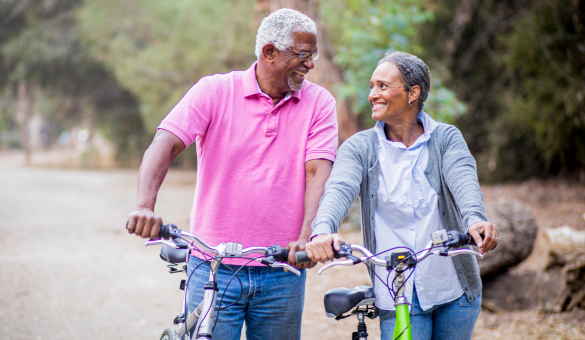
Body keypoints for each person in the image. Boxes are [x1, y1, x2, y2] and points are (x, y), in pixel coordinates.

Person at [126, 9, 338, 340]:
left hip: (283, 269)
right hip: (213, 266)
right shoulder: (214, 91)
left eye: (313, 55)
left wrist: (307, 237)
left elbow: (317, 173)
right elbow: (163, 145)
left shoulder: (319, 103)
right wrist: (144, 205)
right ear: (269, 52)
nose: (310, 64)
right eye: (303, 54)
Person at [305, 51, 499, 340]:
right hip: (396, 293)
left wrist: (476, 220)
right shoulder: (360, 147)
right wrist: (322, 231)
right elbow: (339, 189)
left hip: (455, 290)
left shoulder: (446, 138)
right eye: (372, 86)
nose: (372, 94)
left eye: (383, 86)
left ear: (413, 93)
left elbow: (464, 181)